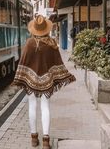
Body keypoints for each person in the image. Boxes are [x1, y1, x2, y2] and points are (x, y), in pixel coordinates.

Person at [13, 15, 76, 148]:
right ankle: (46, 141)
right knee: (45, 106)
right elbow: (58, 63)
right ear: (46, 29)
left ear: (34, 29)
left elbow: (23, 62)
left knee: (32, 106)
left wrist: (21, 77)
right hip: (47, 80)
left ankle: (34, 139)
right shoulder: (52, 44)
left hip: (30, 79)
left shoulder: (29, 43)